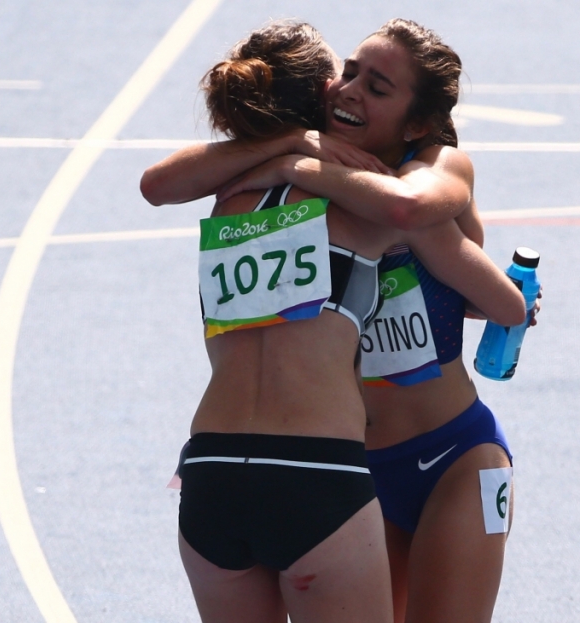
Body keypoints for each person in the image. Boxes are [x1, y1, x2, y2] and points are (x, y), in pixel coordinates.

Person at [157, 20, 526, 623]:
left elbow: (485, 294)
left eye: (377, 87)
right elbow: (158, 183)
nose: (350, 89)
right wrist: (293, 148)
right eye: (349, 72)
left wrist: (298, 167)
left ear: (417, 124)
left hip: (452, 453)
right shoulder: (313, 179)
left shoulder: (432, 170)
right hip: (348, 463)